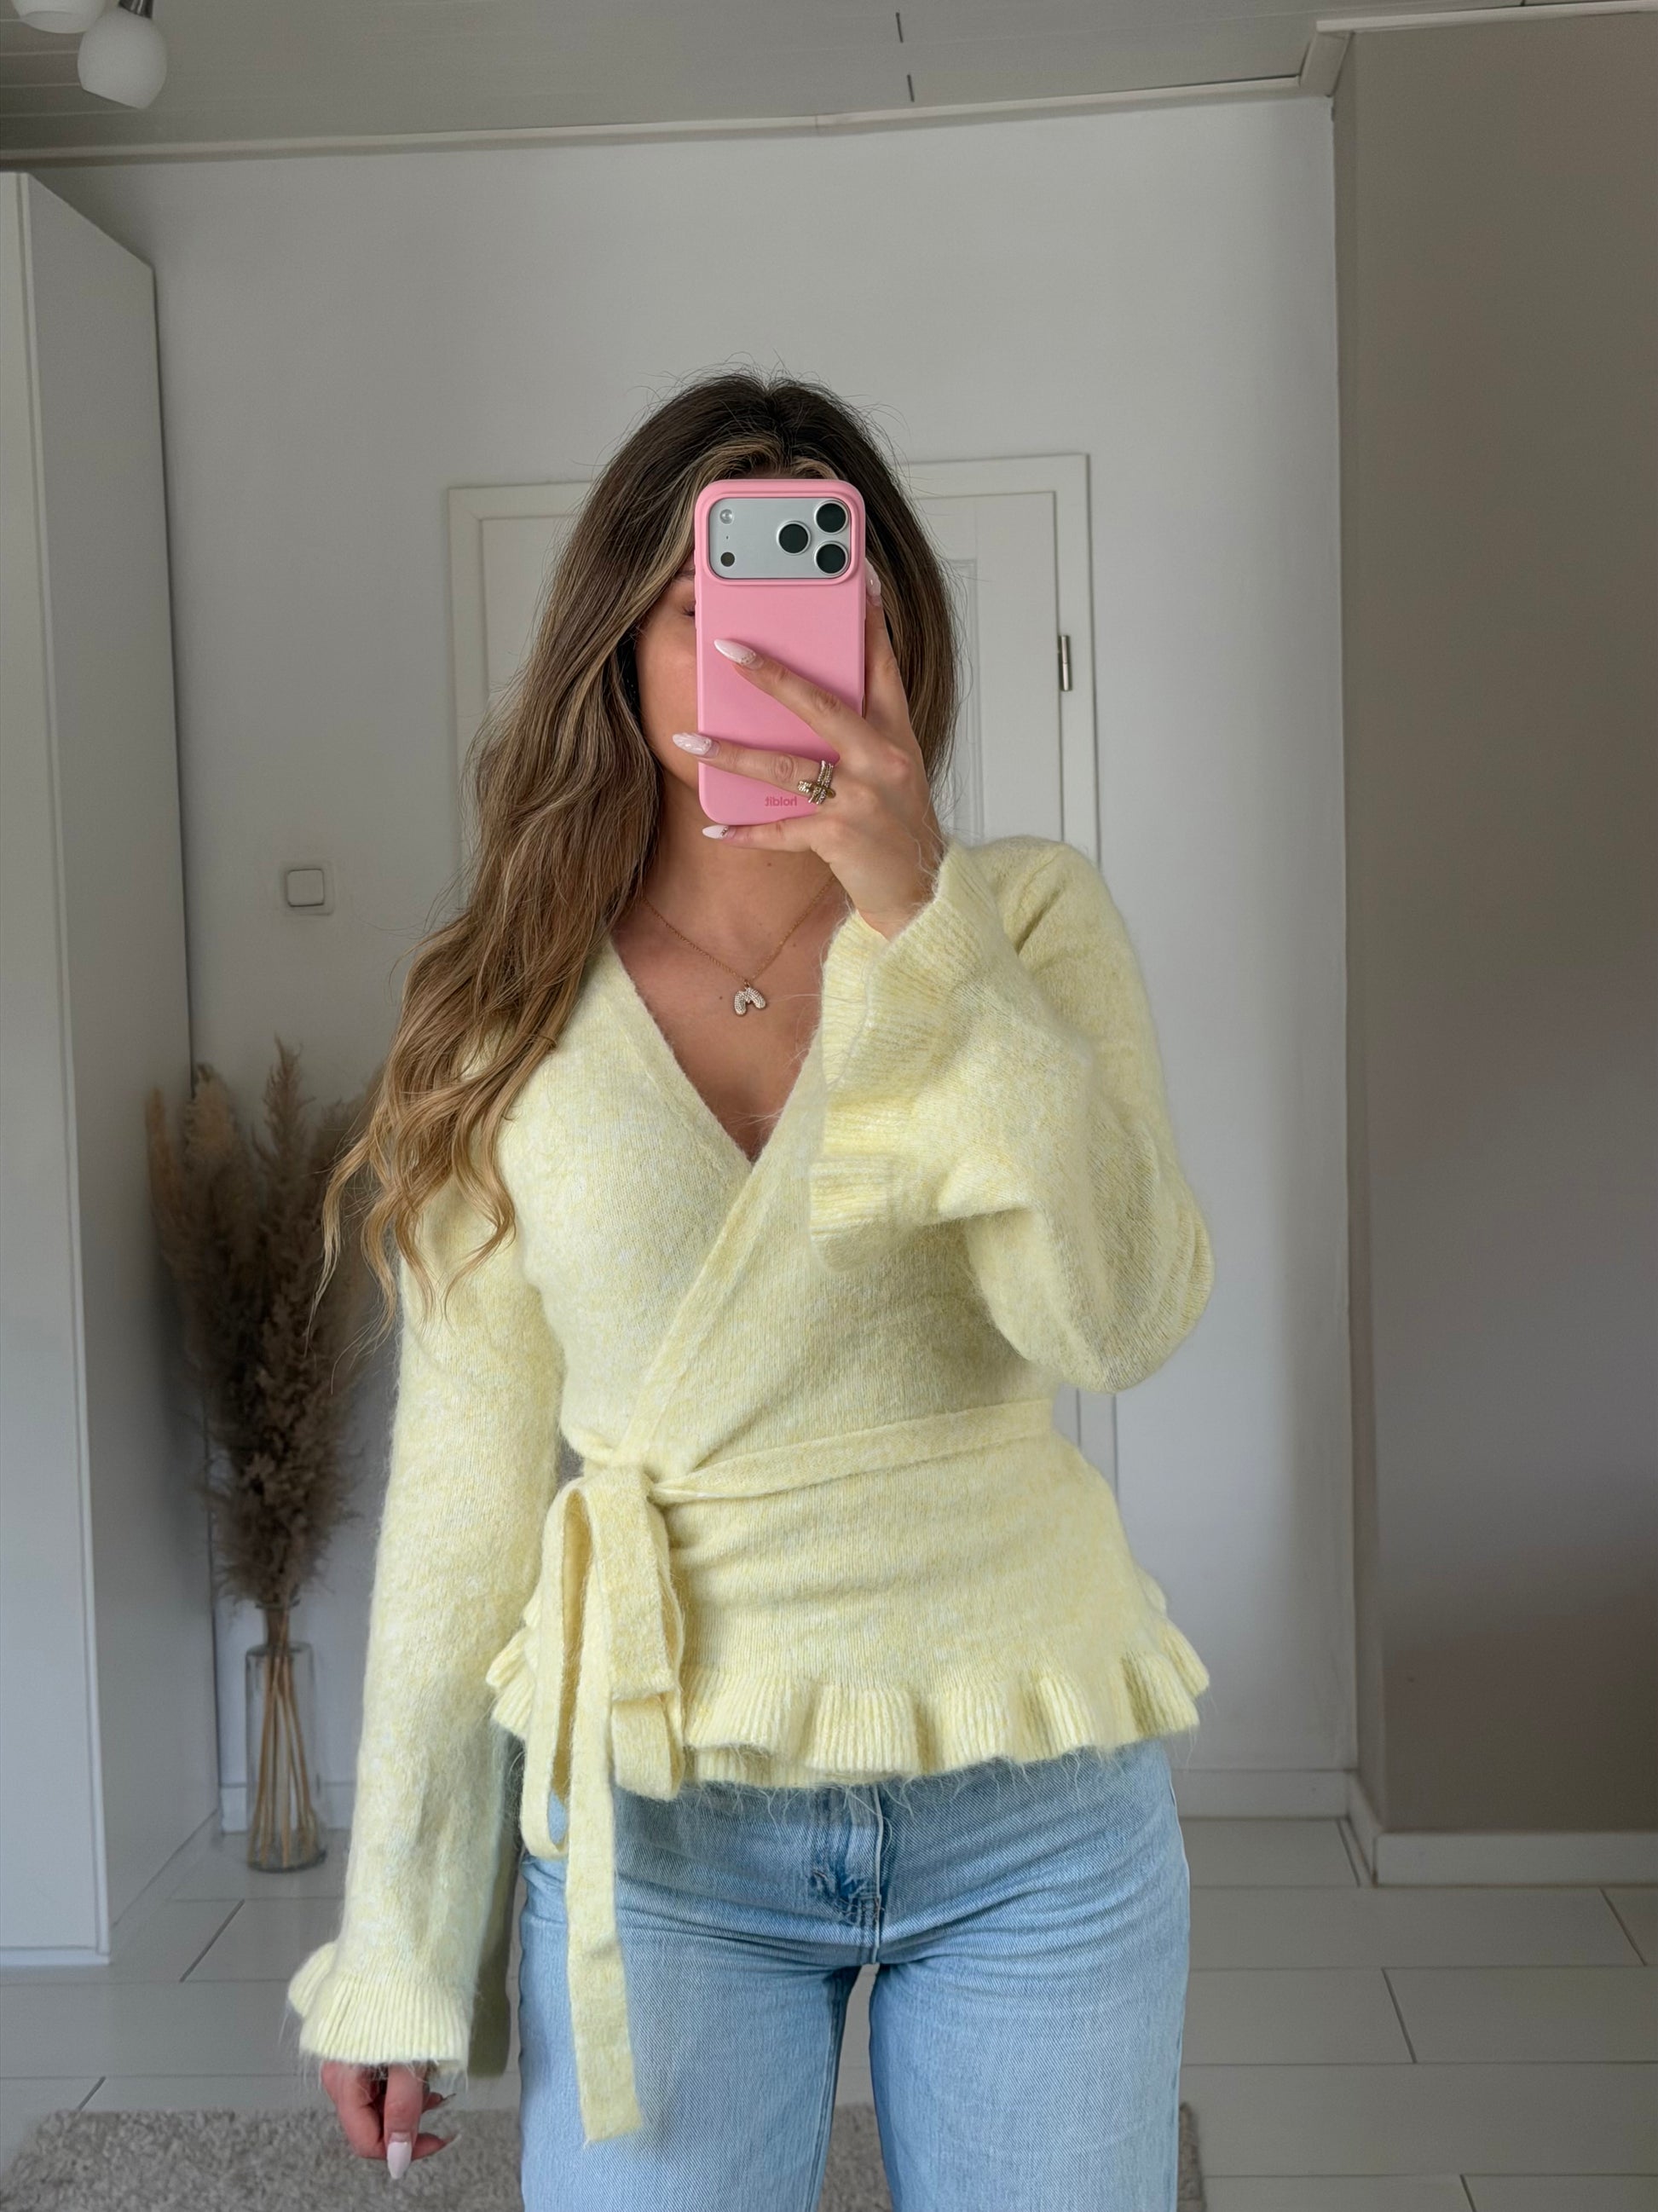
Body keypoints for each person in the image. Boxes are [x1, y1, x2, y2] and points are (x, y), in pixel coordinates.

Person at [285, 369, 1216, 2212]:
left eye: (820, 601)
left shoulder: (1023, 920)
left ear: (893, 635)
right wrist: (396, 1934)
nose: (765, 655)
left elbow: (1115, 1320)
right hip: (663, 1815)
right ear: (620, 652)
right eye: (705, 608)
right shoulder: (500, 1008)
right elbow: (465, 1503)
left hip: (1029, 1788)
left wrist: (920, 920)